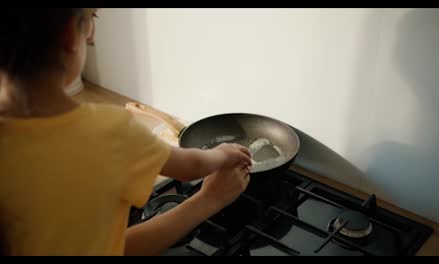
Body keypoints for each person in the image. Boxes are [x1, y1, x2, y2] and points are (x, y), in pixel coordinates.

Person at [0, 8, 252, 256]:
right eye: (92, 19)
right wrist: (220, 162)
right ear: (68, 35)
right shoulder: (109, 130)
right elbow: (192, 166)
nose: (92, 35)